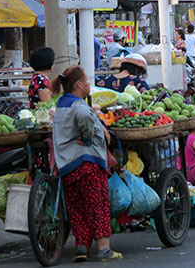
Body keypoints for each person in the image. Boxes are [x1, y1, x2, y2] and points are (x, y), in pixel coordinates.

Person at [52, 65, 121, 262]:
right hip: (86, 163)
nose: (89, 84)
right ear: (79, 84)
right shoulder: (79, 106)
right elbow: (84, 117)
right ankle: (104, 249)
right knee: (97, 204)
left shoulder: (62, 104)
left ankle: (81, 247)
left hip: (67, 166)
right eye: (87, 80)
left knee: (77, 207)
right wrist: (88, 137)